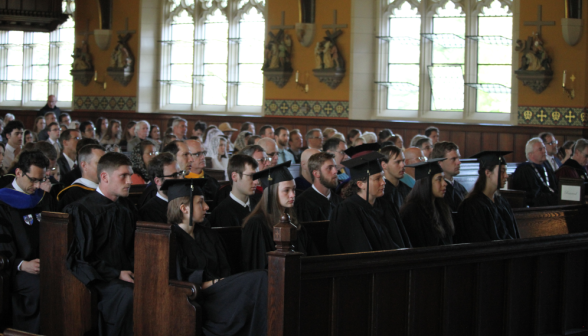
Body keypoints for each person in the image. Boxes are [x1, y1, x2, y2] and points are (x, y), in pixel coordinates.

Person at [163, 178, 268, 336]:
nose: (206, 207)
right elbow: (180, 283)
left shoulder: (208, 234)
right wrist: (216, 282)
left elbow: (226, 270)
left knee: (263, 279)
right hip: (202, 300)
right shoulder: (171, 240)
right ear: (183, 208)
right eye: (200, 202)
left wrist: (224, 282)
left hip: (221, 294)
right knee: (260, 279)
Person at [64, 152, 136, 336]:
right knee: (129, 295)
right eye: (123, 176)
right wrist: (116, 273)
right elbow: (81, 258)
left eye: (130, 175)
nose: (130, 181)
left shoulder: (126, 209)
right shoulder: (82, 210)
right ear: (104, 176)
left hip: (126, 275)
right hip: (99, 280)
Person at [0, 150, 55, 333]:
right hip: (14, 271)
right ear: (18, 173)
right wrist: (22, 264)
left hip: (45, 265)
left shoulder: (40, 198)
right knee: (40, 287)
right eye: (33, 180)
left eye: (40, 180)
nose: (37, 185)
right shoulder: (3, 202)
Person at [328, 152, 411, 254]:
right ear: (360, 184)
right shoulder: (347, 210)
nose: (383, 182)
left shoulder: (387, 205)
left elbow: (402, 242)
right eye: (377, 179)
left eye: (383, 177)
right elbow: (357, 250)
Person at [242, 161, 318, 271]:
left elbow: (311, 256)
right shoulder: (256, 224)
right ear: (271, 193)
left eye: (293, 189)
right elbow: (257, 266)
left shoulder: (293, 221)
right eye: (286, 190)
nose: (292, 195)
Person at [454, 151, 520, 243]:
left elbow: (514, 235)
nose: (506, 175)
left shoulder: (502, 202)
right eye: (502, 171)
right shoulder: (472, 206)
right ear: (488, 173)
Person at [400, 158, 454, 247]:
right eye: (439, 179)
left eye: (443, 179)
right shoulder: (412, 211)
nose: (444, 183)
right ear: (426, 182)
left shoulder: (441, 206)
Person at [209, 155, 259, 228]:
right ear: (234, 177)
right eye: (250, 176)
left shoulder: (259, 205)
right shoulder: (222, 212)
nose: (256, 182)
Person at [510, 137, 558, 207]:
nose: (544, 151)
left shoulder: (546, 165)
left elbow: (554, 186)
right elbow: (533, 196)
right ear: (531, 154)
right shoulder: (524, 170)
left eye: (544, 148)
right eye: (540, 149)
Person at [56, 144, 105, 210]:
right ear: (84, 165)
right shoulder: (71, 195)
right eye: (99, 163)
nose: (105, 168)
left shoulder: (110, 190)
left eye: (106, 164)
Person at [295, 152, 341, 222]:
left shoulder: (339, 201)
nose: (335, 171)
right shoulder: (303, 203)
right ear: (316, 173)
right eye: (329, 168)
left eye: (335, 167)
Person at [138, 152, 183, 223]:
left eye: (180, 173)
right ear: (158, 181)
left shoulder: (186, 202)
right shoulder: (149, 212)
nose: (181, 179)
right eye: (174, 175)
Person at [430, 141, 467, 211]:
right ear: (439, 163)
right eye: (453, 159)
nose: (459, 162)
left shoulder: (460, 187)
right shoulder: (436, 190)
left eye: (458, 158)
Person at [380, 145, 411, 210]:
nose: (403, 165)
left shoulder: (408, 190)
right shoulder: (381, 193)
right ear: (384, 165)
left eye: (403, 161)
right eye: (397, 162)